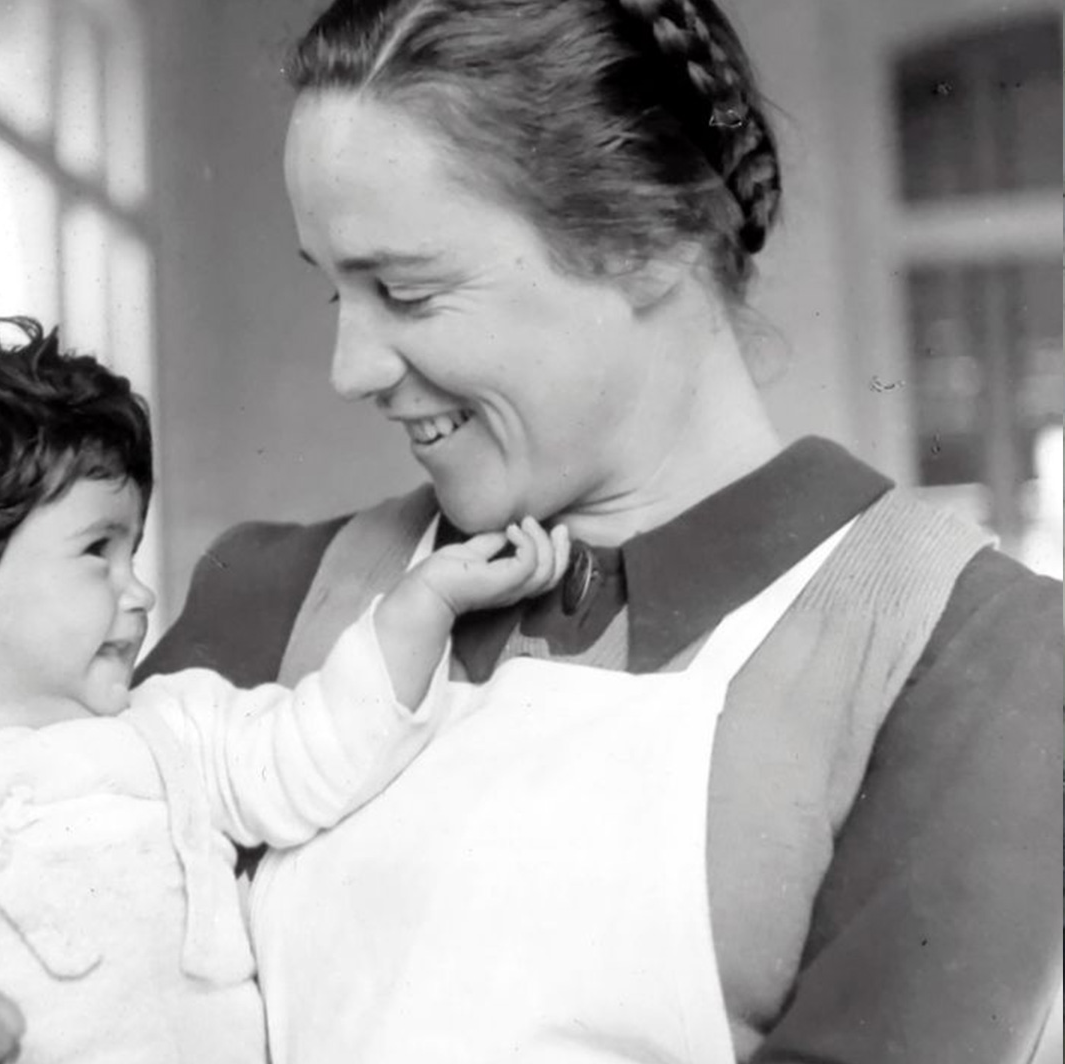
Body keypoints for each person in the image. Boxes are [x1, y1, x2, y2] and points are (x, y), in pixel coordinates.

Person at [136, 0, 1065, 1060]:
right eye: (334, 290)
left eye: (406, 289)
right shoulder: (271, 600)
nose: (350, 368)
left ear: (648, 242)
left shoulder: (967, 656)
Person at [0, 317, 569, 1064]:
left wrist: (423, 605)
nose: (140, 593)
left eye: (133, 553)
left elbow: (321, 750)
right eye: (98, 552)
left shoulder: (180, 727)